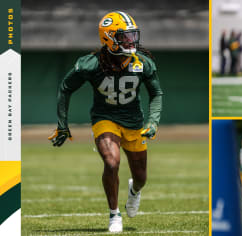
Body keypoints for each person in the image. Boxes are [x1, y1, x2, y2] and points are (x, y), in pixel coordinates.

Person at [48, 11, 163, 233]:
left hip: (134, 122)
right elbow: (65, 87)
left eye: (132, 36)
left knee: (141, 177)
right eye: (124, 37)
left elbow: (157, 93)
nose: (131, 41)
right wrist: (62, 124)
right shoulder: (91, 64)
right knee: (111, 162)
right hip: (105, 119)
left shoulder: (142, 62)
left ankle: (134, 191)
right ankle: (114, 215)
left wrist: (153, 121)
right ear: (109, 39)